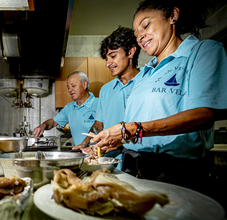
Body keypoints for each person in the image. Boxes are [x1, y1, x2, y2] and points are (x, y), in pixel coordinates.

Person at [91, 0, 227, 191]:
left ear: (173, 15)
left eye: (145, 25)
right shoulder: (145, 74)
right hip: (130, 168)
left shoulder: (202, 52)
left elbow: (204, 115)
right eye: (136, 34)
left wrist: (131, 130)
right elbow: (138, 127)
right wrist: (112, 141)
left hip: (173, 171)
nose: (140, 37)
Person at [73, 26, 141, 170]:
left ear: (131, 52)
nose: (107, 63)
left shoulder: (146, 84)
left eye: (113, 56)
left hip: (139, 160)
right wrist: (86, 144)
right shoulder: (106, 90)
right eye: (106, 58)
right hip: (110, 163)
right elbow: (99, 125)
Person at [33, 71, 99, 146]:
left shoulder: (99, 103)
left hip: (100, 154)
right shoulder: (69, 107)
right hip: (81, 153)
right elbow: (53, 122)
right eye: (68, 87)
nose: (70, 90)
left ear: (84, 85)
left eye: (73, 86)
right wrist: (42, 126)